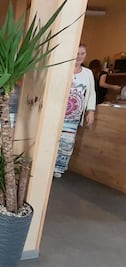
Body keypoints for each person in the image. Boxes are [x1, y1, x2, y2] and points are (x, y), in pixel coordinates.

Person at [54, 43, 96, 178]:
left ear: (85, 55)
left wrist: (91, 111)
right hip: (57, 112)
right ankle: (47, 164)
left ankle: (58, 168)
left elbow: (91, 93)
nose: (79, 56)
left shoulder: (88, 73)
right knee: (54, 138)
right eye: (77, 53)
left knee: (67, 141)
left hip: (74, 115)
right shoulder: (64, 69)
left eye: (82, 53)